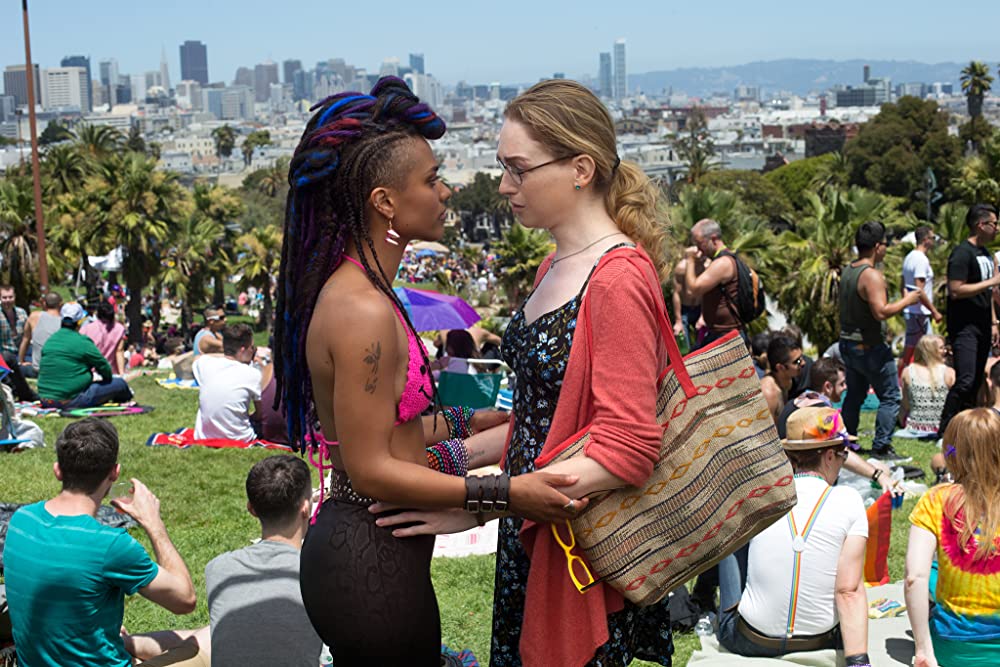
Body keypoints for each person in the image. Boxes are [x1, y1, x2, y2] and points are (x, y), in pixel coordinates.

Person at [272, 77, 581, 665]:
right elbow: (370, 469)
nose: (447, 190)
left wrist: (482, 422)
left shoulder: (371, 293)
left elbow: (399, 430)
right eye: (432, 178)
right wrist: (508, 495)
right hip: (367, 557)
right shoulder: (361, 308)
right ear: (385, 201)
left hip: (380, 553)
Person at [379, 78, 675, 666]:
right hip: (538, 532)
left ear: (581, 169)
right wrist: (445, 472)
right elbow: (539, 423)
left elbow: (629, 448)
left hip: (578, 551)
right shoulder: (554, 266)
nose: (505, 185)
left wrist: (486, 499)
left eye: (518, 169)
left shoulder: (616, 279)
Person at [2, 418, 196, 666]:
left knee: (139, 639)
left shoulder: (21, 521)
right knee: (209, 639)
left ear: (57, 470)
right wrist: (154, 524)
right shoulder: (110, 545)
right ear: (114, 473)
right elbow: (185, 600)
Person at [716, 407, 869, 663]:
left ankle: (732, 608)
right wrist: (859, 661)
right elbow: (849, 591)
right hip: (818, 641)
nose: (843, 463)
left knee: (732, 531)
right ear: (829, 456)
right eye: (843, 454)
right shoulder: (850, 500)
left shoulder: (760, 493)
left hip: (749, 640)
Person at [905, 408, 1000, 667]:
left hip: (954, 648)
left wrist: (923, 650)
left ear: (952, 451)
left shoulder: (936, 500)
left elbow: (915, 577)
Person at [839, 220, 935, 460]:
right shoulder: (871, 275)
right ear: (877, 246)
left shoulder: (848, 270)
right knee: (891, 396)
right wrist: (909, 300)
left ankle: (847, 442)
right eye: (885, 245)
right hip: (870, 347)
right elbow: (880, 312)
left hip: (849, 344)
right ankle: (881, 447)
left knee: (854, 395)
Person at [776, 357, 901, 498]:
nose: (845, 388)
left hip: (787, 479)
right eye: (842, 384)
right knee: (880, 468)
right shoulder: (826, 415)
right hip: (817, 481)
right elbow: (843, 453)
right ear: (828, 386)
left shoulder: (792, 404)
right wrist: (877, 475)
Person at [938, 204, 1000, 438]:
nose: (996, 228)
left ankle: (966, 429)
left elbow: (987, 295)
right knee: (964, 379)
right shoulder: (962, 254)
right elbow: (956, 289)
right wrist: (992, 281)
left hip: (983, 325)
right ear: (980, 225)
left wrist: (994, 323)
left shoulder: (985, 254)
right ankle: (945, 429)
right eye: (993, 223)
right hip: (965, 327)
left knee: (975, 381)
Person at [37, 303, 133, 408]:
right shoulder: (83, 342)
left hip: (45, 399)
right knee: (119, 384)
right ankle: (125, 398)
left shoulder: (51, 341)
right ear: (79, 322)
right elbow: (104, 367)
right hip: (71, 399)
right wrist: (106, 378)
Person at [193, 323, 261, 441]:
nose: (253, 352)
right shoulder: (253, 374)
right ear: (243, 350)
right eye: (252, 348)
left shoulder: (205, 364)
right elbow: (261, 414)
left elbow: (196, 358)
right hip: (240, 437)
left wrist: (225, 355)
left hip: (204, 436)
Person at [683, 219, 744, 348]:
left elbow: (693, 290)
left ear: (713, 239)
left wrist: (690, 260)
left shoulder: (723, 263)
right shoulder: (718, 261)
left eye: (700, 243)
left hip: (727, 337)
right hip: (718, 334)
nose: (697, 248)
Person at [901, 226, 942, 370]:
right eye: (932, 238)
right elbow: (920, 289)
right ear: (925, 240)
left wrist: (905, 303)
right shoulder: (921, 260)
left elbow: (903, 284)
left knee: (912, 347)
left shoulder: (909, 257)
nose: (934, 241)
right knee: (928, 348)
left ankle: (905, 375)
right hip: (920, 312)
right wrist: (934, 311)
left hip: (913, 311)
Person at [900, 335, 954, 436]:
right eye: (942, 348)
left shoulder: (908, 371)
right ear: (931, 351)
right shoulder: (949, 373)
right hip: (940, 427)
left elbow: (906, 404)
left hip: (913, 426)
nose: (945, 351)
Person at [0, 284, 36, 401]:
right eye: (4, 297)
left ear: (14, 297)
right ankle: (25, 392)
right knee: (22, 370)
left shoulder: (22, 313)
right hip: (6, 357)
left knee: (40, 367)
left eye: (10, 297)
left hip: (23, 353)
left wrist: (23, 359)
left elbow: (27, 337)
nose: (7, 301)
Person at [17, 290, 62, 378]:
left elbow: (25, 340)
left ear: (44, 303)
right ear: (60, 304)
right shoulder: (64, 322)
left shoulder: (34, 316)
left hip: (38, 370)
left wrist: (21, 361)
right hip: (57, 369)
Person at [760, 334, 805, 422]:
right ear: (780, 367)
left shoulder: (787, 381)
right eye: (798, 361)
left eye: (802, 358)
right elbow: (768, 434)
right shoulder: (768, 394)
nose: (803, 363)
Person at [81, 300, 127, 375]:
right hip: (111, 373)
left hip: (91, 373)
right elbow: (119, 351)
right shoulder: (119, 329)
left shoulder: (86, 329)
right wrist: (122, 373)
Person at [672, 253, 707, 351]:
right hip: (684, 309)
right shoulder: (681, 268)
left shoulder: (707, 267)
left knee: (704, 347)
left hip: (701, 308)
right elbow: (676, 293)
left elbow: (707, 293)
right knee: (683, 346)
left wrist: (703, 316)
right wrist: (678, 321)